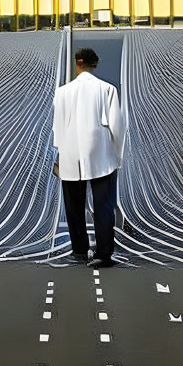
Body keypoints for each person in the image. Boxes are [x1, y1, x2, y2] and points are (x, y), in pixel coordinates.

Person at [52, 47, 126, 267]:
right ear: (95, 65)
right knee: (103, 205)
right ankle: (104, 254)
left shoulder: (63, 91)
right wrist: (117, 156)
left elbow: (57, 127)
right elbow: (117, 127)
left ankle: (80, 251)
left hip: (71, 151)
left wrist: (59, 155)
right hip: (101, 152)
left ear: (77, 64)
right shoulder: (108, 89)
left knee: (74, 206)